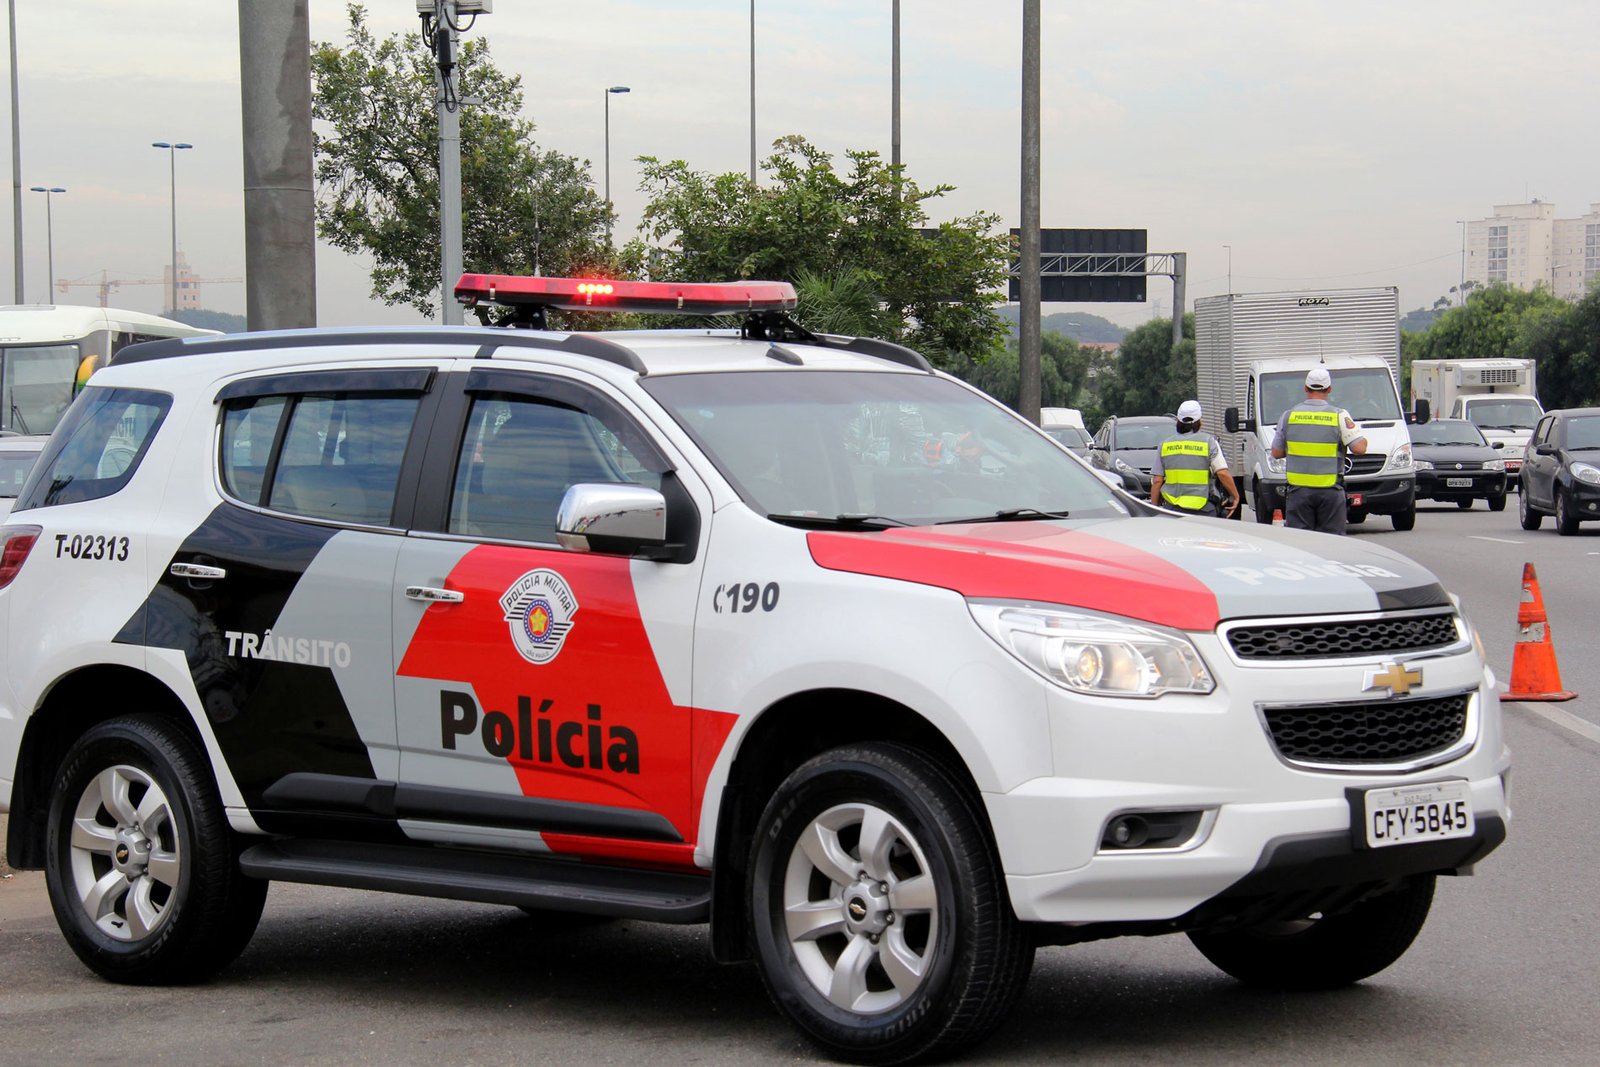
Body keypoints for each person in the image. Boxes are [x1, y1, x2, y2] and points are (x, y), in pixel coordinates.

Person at [1270, 367, 1368, 534]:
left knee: (1301, 543)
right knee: (1331, 543)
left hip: (1298, 492)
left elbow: (1276, 453)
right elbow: (1360, 448)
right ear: (1329, 389)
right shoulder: (1339, 415)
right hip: (1329, 491)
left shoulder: (1288, 416)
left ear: (1305, 388)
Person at [1150, 400, 1240, 517]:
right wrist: (1236, 496)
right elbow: (1222, 473)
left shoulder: (1165, 445)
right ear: (1199, 421)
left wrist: (1154, 508)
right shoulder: (1208, 442)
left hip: (1172, 509)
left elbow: (1157, 481)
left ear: (1178, 421)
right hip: (1203, 508)